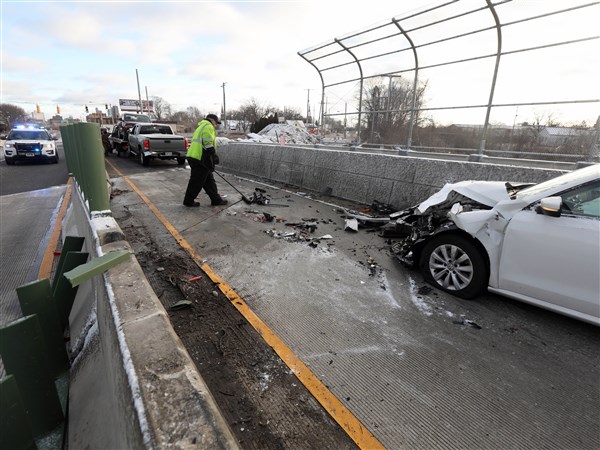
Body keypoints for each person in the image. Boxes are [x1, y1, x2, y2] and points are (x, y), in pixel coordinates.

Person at [183, 114, 228, 207]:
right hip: (199, 158)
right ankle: (188, 201)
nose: (216, 126)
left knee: (209, 180)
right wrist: (213, 154)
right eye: (216, 123)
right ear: (212, 120)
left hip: (196, 156)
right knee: (197, 181)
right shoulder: (208, 126)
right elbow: (207, 142)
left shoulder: (201, 126)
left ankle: (216, 199)